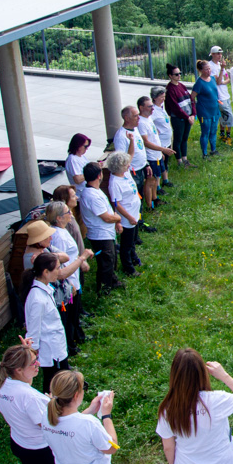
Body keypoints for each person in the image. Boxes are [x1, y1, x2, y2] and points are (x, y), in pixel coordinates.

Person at [46, 202, 92, 355]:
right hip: (69, 283)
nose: (71, 214)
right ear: (59, 218)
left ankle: (78, 337)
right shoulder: (58, 236)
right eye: (67, 212)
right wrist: (69, 283)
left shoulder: (63, 231)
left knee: (74, 313)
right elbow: (60, 265)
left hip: (73, 279)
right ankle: (71, 346)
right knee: (69, 315)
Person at [23, 253, 71, 395]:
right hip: (51, 353)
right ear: (45, 272)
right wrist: (32, 356)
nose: (59, 271)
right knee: (53, 386)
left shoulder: (45, 290)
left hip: (57, 348)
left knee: (63, 384)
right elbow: (33, 331)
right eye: (57, 268)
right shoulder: (37, 299)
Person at [78, 162, 122, 295]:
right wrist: (117, 219)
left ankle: (112, 281)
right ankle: (104, 290)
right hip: (100, 235)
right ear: (99, 175)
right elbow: (106, 218)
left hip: (105, 233)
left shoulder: (94, 191)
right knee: (106, 263)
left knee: (111, 259)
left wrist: (115, 221)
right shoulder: (92, 196)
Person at [105, 152, 142, 277]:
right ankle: (128, 268)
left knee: (133, 240)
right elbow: (117, 204)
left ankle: (134, 258)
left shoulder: (125, 174)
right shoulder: (115, 183)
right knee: (126, 245)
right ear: (119, 167)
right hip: (128, 218)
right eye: (126, 164)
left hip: (134, 214)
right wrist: (129, 217)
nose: (128, 166)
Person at [137, 95, 175, 209]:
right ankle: (150, 205)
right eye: (149, 106)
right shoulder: (141, 123)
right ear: (141, 107)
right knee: (150, 180)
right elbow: (146, 142)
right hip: (150, 156)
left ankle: (155, 198)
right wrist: (163, 149)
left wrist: (160, 152)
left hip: (156, 154)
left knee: (155, 179)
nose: (152, 108)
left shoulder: (148, 118)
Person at [112, 105, 151, 210]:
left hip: (141, 168)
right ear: (127, 118)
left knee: (140, 195)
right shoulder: (121, 136)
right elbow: (122, 159)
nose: (139, 118)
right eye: (135, 116)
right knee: (135, 197)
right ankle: (137, 217)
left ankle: (140, 216)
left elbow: (140, 148)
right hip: (132, 172)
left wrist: (146, 164)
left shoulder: (135, 129)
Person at [164, 64, 197, 168]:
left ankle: (185, 159)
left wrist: (193, 114)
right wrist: (187, 117)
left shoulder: (181, 85)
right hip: (178, 118)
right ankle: (179, 161)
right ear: (170, 76)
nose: (179, 76)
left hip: (188, 117)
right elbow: (175, 107)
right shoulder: (170, 89)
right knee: (178, 139)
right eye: (176, 74)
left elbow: (191, 100)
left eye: (180, 73)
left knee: (184, 139)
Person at [191, 60, 222, 156]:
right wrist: (195, 109)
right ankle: (204, 153)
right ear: (200, 70)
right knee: (205, 132)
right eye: (206, 69)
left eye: (209, 69)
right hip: (204, 112)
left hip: (214, 110)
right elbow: (192, 97)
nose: (209, 71)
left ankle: (213, 150)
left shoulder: (212, 79)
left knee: (213, 131)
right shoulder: (199, 83)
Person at [208, 47, 233, 145]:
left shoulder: (219, 65)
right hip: (219, 96)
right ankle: (228, 135)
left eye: (221, 54)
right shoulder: (210, 66)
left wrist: (223, 80)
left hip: (225, 94)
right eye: (217, 54)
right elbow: (218, 81)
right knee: (228, 115)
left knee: (224, 115)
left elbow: (227, 78)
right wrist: (222, 70)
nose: (220, 56)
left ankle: (222, 133)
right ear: (213, 54)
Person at [150, 86, 175, 188]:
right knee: (160, 164)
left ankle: (166, 180)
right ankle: (158, 186)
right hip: (160, 142)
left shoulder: (161, 108)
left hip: (167, 141)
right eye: (161, 97)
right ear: (154, 98)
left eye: (164, 97)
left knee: (165, 162)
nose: (163, 99)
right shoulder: (153, 111)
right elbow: (149, 123)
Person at [65, 134, 93, 199]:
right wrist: (92, 172)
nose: (87, 148)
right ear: (78, 145)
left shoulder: (82, 156)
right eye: (85, 146)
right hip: (81, 194)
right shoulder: (72, 159)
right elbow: (77, 179)